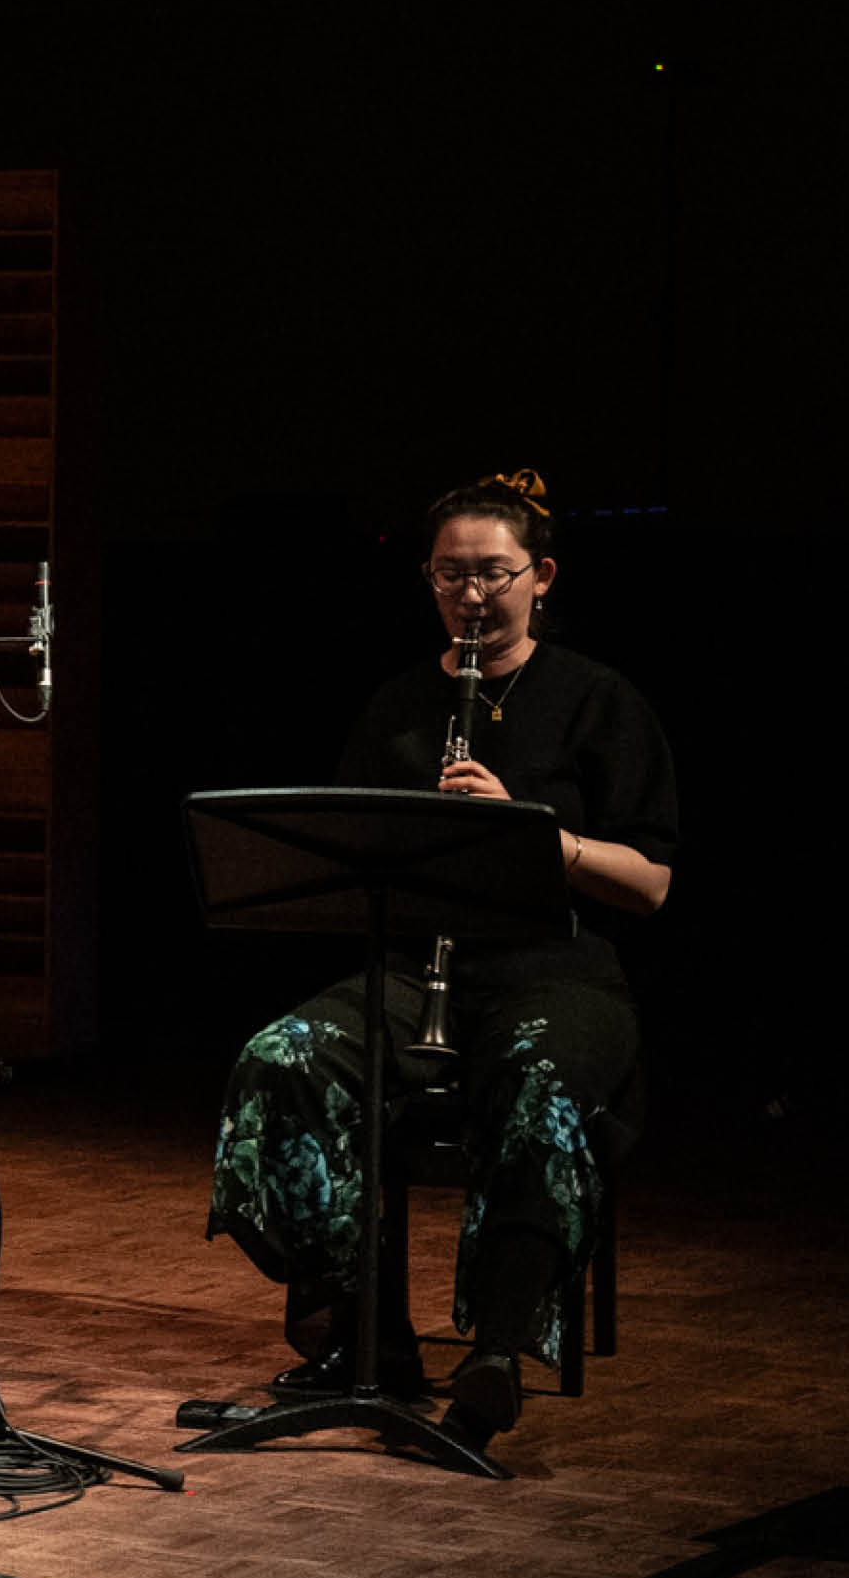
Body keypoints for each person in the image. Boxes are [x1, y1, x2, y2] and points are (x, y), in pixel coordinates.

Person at [210, 470, 676, 1442]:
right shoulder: (394, 707)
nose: (470, 595)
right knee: (280, 1056)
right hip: (415, 970)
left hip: (555, 968)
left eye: (491, 574)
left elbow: (652, 883)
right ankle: (361, 1331)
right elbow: (341, 854)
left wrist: (539, 839)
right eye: (447, 575)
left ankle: (498, 1348)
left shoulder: (596, 700)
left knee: (538, 1077)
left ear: (539, 576)